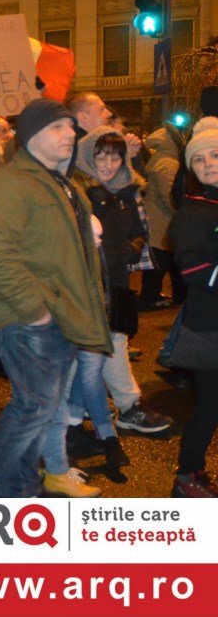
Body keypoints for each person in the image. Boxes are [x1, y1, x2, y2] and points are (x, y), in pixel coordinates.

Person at [0, 99, 112, 499]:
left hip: (60, 313)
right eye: (58, 127)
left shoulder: (60, 181)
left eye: (71, 127)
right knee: (34, 407)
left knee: (43, 408)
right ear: (32, 136)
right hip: (28, 318)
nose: (70, 134)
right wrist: (35, 311)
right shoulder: (9, 183)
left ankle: (19, 485)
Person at [68, 128, 169, 467]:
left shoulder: (128, 189)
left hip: (118, 282)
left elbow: (139, 231)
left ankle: (117, 409)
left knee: (114, 342)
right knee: (94, 350)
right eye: (101, 157)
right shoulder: (80, 192)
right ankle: (116, 409)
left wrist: (133, 247)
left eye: (115, 157)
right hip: (88, 285)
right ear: (88, 157)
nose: (108, 164)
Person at [168, 128, 218, 497]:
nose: (207, 163)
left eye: (215, 154)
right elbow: (194, 271)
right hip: (210, 327)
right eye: (198, 159)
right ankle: (187, 475)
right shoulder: (193, 213)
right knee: (209, 406)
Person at [140, 119, 188, 309]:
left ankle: (157, 296)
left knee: (163, 261)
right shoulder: (167, 163)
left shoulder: (162, 159)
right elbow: (169, 195)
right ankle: (149, 298)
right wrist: (179, 214)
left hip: (160, 220)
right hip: (161, 221)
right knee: (159, 262)